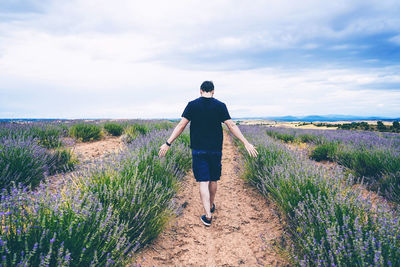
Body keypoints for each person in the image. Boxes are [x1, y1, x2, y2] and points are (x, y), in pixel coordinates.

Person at [158, 81, 258, 227]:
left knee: (203, 182)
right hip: (215, 149)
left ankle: (208, 216)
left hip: (198, 149)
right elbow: (231, 125)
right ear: (213, 91)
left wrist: (168, 143)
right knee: (213, 179)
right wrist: (245, 142)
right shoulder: (220, 105)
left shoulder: (192, 105)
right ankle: (210, 205)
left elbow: (181, 125)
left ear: (200, 91)